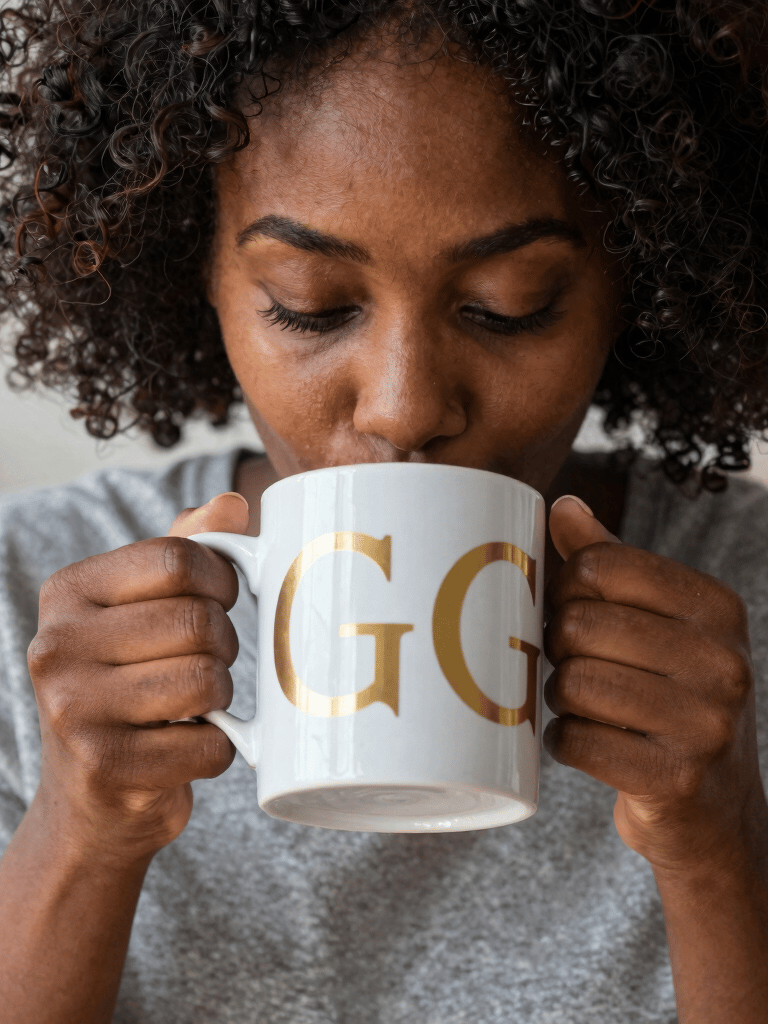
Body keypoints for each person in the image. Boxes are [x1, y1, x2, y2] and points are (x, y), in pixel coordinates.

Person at [1, 0, 767, 1020]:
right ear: (201, 270)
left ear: (641, 280)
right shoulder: (29, 601)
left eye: (508, 304)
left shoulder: (745, 606)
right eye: (311, 304)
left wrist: (721, 853)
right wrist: (80, 832)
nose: (405, 406)